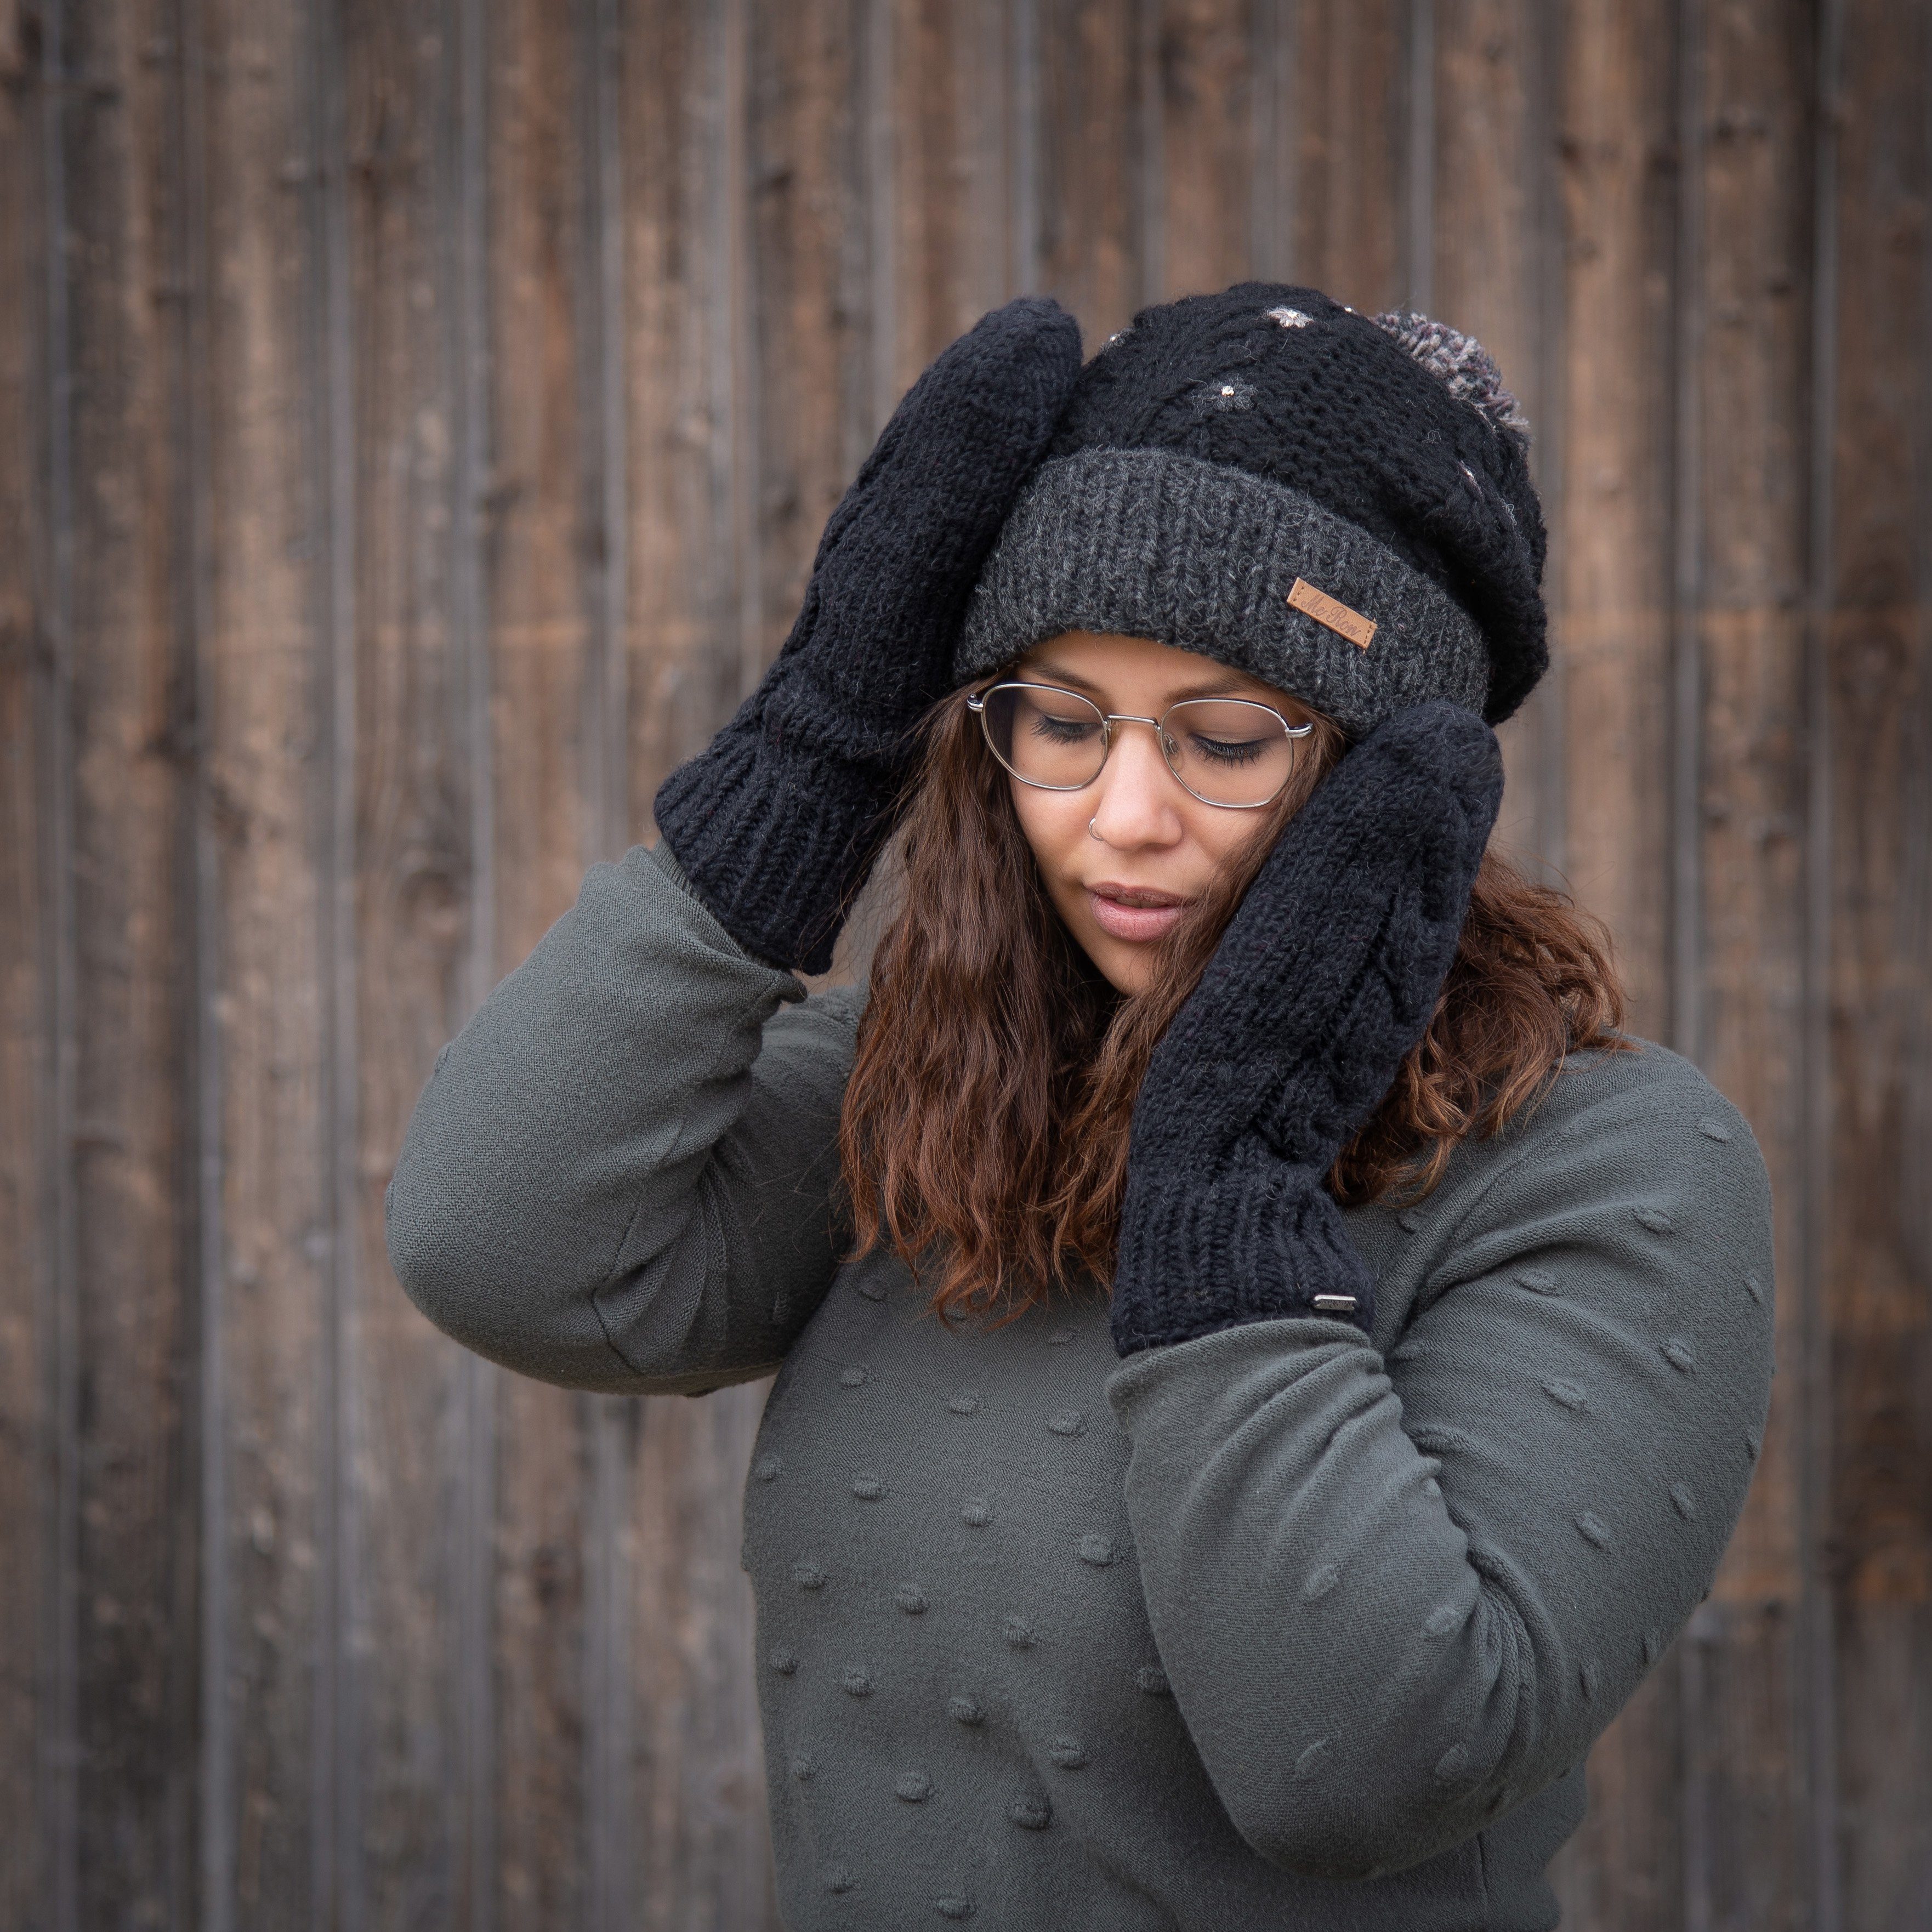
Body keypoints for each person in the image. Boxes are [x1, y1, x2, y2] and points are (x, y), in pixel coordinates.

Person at [386, 285, 1775, 1929]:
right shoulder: (944, 1077)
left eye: (1224, 738)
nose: (1121, 818)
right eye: (1060, 720)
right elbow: (499, 1246)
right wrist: (817, 753)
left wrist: (1228, 1186)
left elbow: (1367, 1763)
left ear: (1387, 768)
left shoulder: (1607, 1161)